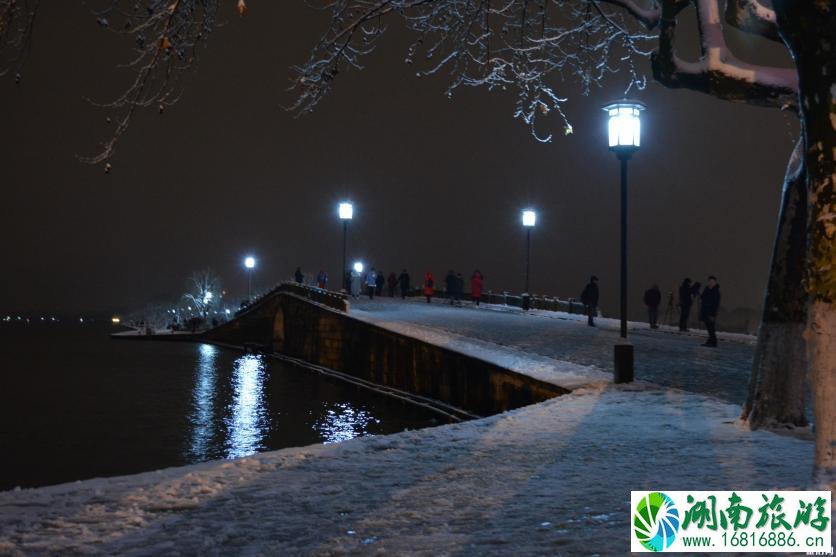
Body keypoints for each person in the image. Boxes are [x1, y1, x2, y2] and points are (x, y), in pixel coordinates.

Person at [700, 276, 721, 347]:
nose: (711, 283)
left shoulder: (716, 291)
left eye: (712, 282)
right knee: (709, 327)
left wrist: (712, 314)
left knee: (711, 328)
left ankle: (713, 342)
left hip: (711, 312)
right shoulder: (706, 289)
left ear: (715, 282)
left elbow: (716, 303)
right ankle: (710, 341)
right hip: (705, 311)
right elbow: (703, 298)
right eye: (710, 281)